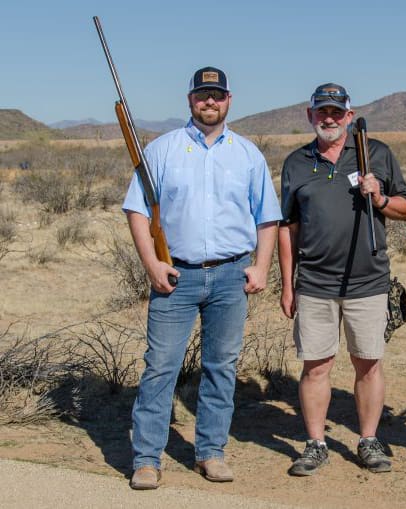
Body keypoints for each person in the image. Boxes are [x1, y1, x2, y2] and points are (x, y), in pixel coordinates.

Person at [122, 66, 281, 490]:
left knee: (221, 368)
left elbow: (267, 217)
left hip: (230, 276)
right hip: (175, 277)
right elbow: (137, 209)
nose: (209, 102)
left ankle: (211, 452)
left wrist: (262, 266)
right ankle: (146, 459)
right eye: (201, 95)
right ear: (190, 100)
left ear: (229, 100)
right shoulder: (162, 150)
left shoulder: (248, 154)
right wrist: (151, 264)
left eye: (217, 95)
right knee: (160, 368)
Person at [278, 83, 406, 476]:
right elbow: (289, 228)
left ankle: (369, 440)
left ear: (350, 117)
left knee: (368, 364)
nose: (330, 119)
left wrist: (382, 198)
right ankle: (316, 443)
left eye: (338, 112)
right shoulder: (297, 162)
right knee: (316, 367)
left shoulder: (377, 154)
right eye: (323, 112)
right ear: (310, 115)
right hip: (316, 283)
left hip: (367, 281)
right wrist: (288, 284)